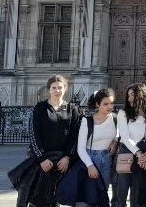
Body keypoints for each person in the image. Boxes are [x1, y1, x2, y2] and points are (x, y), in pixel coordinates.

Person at [17, 75, 80, 207]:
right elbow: (34, 134)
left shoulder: (72, 110)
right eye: (54, 88)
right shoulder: (40, 108)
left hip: (62, 159)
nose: (57, 90)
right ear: (49, 89)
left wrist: (67, 157)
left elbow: (74, 137)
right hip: (41, 158)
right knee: (36, 194)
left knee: (55, 195)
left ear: (65, 89)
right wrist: (42, 158)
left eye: (60, 87)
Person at [115, 83, 146, 207]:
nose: (130, 98)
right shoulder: (123, 113)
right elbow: (125, 136)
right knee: (121, 193)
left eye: (133, 95)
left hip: (144, 156)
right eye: (128, 95)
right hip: (127, 152)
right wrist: (138, 153)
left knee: (137, 194)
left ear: (142, 95)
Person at [77, 88, 120, 201]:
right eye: (106, 104)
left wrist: (115, 141)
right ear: (97, 104)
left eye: (111, 103)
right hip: (90, 158)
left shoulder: (115, 118)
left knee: (103, 193)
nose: (110, 106)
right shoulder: (87, 121)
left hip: (107, 158)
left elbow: (118, 133)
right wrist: (89, 165)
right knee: (90, 195)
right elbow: (80, 147)